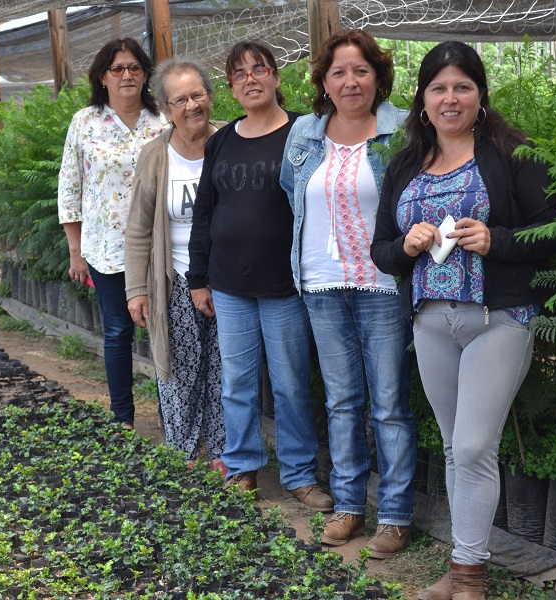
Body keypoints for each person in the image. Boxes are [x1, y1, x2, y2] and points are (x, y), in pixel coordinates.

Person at [371, 41, 556, 599]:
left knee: (475, 446)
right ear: (422, 100)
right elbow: (382, 251)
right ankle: (461, 566)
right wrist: (406, 245)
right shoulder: (406, 163)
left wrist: (495, 239)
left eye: (462, 87)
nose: (450, 98)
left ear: (480, 95)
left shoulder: (514, 155)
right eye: (438, 88)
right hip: (431, 321)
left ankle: (471, 578)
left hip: (498, 319)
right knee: (455, 448)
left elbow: (554, 231)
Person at [279, 30, 416, 558]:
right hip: (320, 282)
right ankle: (349, 507)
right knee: (341, 401)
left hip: (383, 282)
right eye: (338, 72)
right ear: (324, 82)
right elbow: (294, 194)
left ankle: (397, 516)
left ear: (378, 78)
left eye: (360, 70)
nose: (350, 81)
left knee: (389, 404)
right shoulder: (305, 134)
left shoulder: (402, 129)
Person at [186, 40, 332, 512]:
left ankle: (298, 474)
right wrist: (198, 277)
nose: (250, 79)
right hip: (228, 285)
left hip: (284, 284)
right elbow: (204, 213)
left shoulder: (303, 134)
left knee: (290, 383)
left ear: (276, 78)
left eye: (259, 69)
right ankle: (243, 466)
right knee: (238, 382)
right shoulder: (221, 141)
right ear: (231, 86)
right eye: (239, 73)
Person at [57, 38, 167, 429]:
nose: (126, 75)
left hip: (160, 248)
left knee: (163, 331)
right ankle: (123, 417)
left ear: (145, 74)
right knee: (119, 331)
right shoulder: (85, 122)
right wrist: (75, 249)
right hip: (105, 248)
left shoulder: (163, 123)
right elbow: (70, 185)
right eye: (117, 69)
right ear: (103, 76)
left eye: (134, 68)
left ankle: (175, 420)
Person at [124, 57, 226, 473]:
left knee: (224, 371)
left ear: (210, 97)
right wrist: (137, 290)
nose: (191, 106)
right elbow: (139, 229)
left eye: (197, 95)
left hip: (227, 279)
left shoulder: (231, 143)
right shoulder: (155, 156)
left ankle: (223, 455)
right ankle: (183, 453)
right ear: (166, 109)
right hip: (174, 278)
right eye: (179, 99)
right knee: (179, 371)